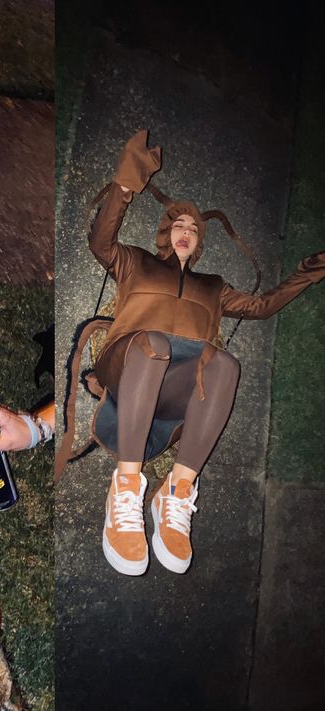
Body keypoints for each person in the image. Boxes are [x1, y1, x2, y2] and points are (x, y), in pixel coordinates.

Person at [59, 130, 325, 577]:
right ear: (166, 234)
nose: (185, 231)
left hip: (173, 391)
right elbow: (100, 243)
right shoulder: (135, 261)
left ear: (199, 242)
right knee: (155, 343)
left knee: (223, 363)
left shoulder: (214, 286)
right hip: (129, 364)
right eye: (178, 225)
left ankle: (177, 491)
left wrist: (307, 275)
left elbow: (260, 307)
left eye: (193, 229)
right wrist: (125, 185)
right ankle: (125, 486)